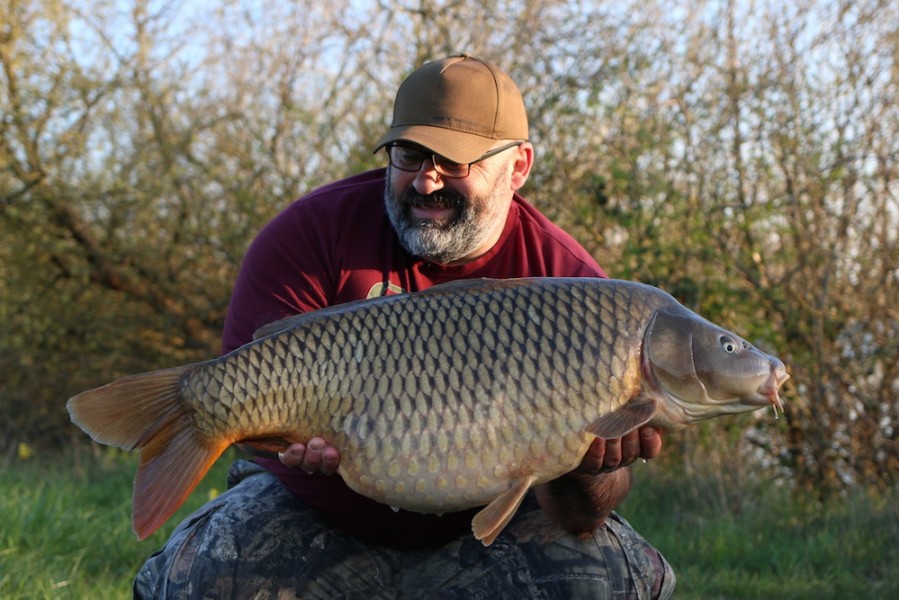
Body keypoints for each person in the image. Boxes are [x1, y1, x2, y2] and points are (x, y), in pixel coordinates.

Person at [134, 54, 675, 599]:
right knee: (197, 577)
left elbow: (581, 516)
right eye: (409, 154)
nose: (426, 179)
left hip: (491, 528)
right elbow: (259, 425)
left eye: (454, 161)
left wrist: (591, 467)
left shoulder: (576, 287)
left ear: (518, 167)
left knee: (612, 578)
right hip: (315, 510)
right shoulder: (308, 237)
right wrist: (278, 437)